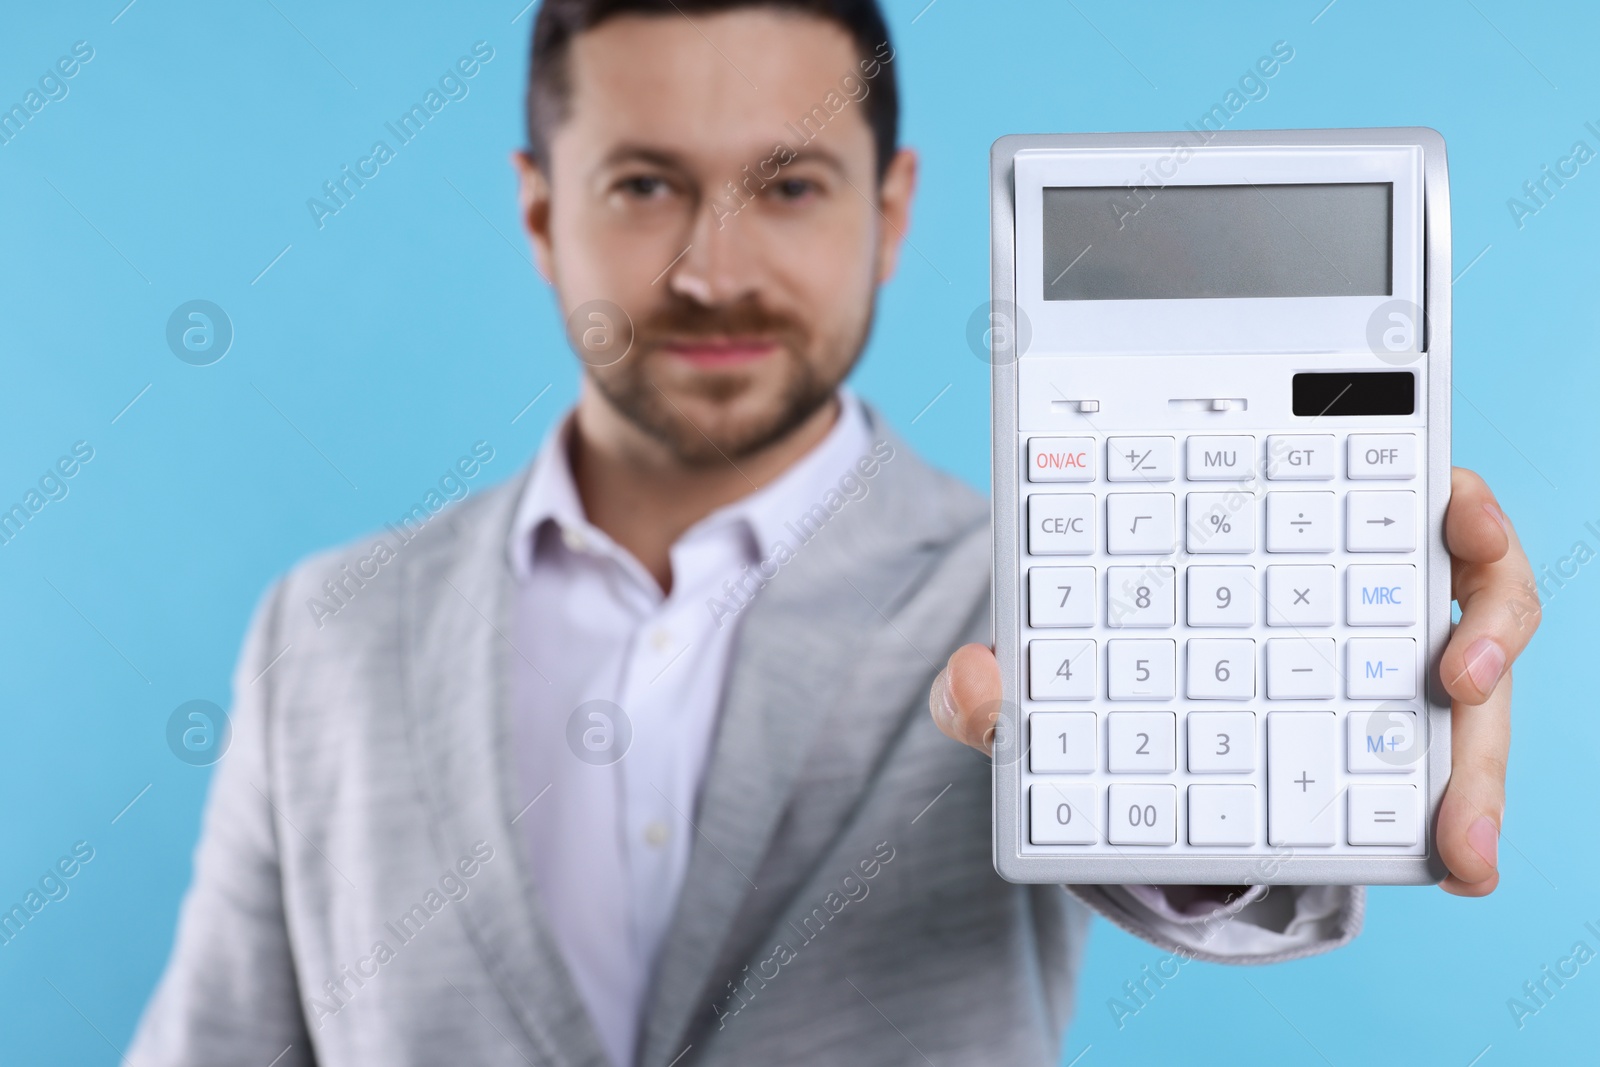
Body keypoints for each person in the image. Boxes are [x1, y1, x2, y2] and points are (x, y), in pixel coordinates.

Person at [129, 2, 1537, 1064]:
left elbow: (1215, 870)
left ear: (893, 210)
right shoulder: (324, 634)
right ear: (542, 212)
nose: (711, 270)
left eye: (788, 186)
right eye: (645, 185)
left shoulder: (1034, 590)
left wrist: (1283, 680)